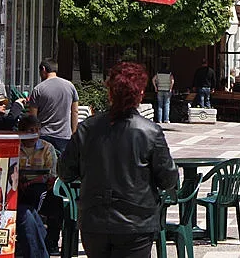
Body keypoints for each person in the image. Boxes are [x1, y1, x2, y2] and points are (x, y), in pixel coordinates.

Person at [58, 62, 178, 258]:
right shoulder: (150, 132)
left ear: (110, 93)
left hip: (94, 220)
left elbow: (65, 172)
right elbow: (168, 179)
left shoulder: (87, 129)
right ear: (140, 94)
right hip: (136, 222)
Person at [16, 115, 60, 255]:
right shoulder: (15, 146)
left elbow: (52, 173)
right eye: (31, 130)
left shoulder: (47, 148)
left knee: (34, 197)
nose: (35, 133)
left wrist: (33, 181)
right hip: (16, 185)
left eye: (37, 130)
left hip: (40, 186)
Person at [27, 60, 79, 154]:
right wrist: (74, 133)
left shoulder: (38, 89)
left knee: (43, 164)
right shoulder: (70, 86)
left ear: (43, 69)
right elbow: (75, 112)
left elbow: (32, 117)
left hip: (43, 134)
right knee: (62, 165)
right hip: (64, 135)